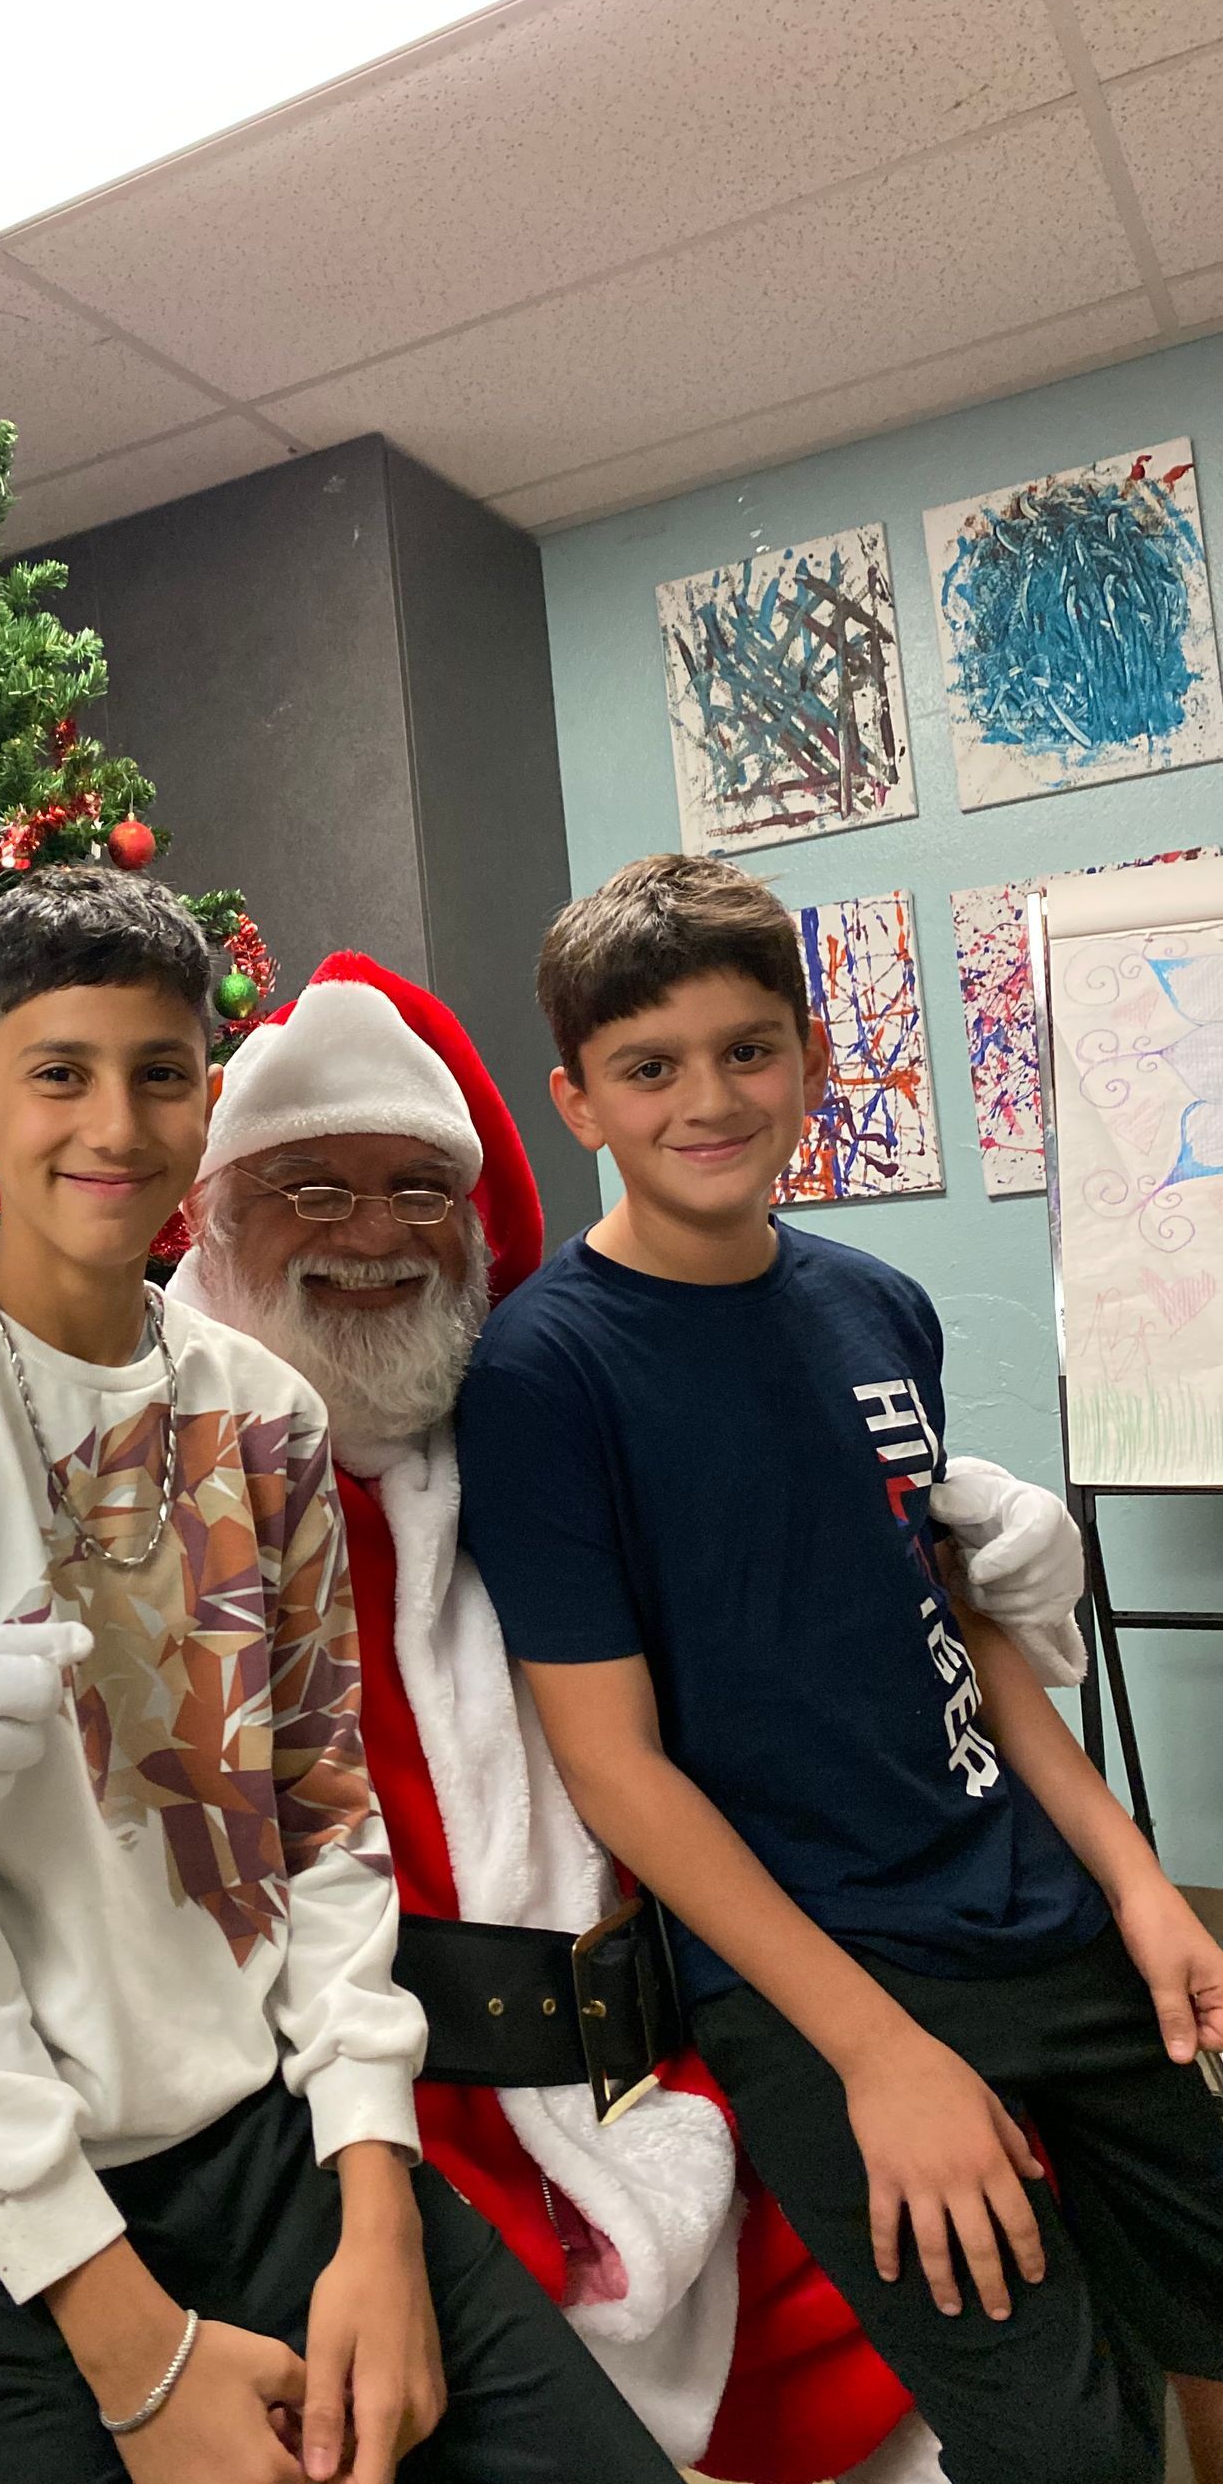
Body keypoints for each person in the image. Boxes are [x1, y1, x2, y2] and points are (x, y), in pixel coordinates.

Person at [0, 869, 681, 2484]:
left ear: (204, 1104)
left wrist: (377, 2194)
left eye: (158, 1074)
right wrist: (133, 2350)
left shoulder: (267, 1411)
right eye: (61, 1073)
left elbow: (324, 1817)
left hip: (264, 2132)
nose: (112, 1124)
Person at [169, 950, 1085, 2484]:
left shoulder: (532, 1409)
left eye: (420, 1190)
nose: (376, 1234)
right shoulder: (148, 1463)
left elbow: (770, 1555)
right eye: (311, 1191)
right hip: (366, 2140)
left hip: (687, 2066)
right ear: (209, 1216)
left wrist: (953, 1530)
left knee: (988, 2322)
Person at [456, 853, 1223, 2484]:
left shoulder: (881, 1306)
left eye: (748, 1050)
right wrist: (879, 2054)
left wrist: (1139, 1883)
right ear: (577, 1100)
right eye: (649, 1067)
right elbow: (615, 1766)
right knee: (1066, 2446)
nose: (708, 1099)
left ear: (810, 1057)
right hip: (821, 1976)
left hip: (1042, 1912)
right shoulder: (545, 1372)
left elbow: (959, 1628)